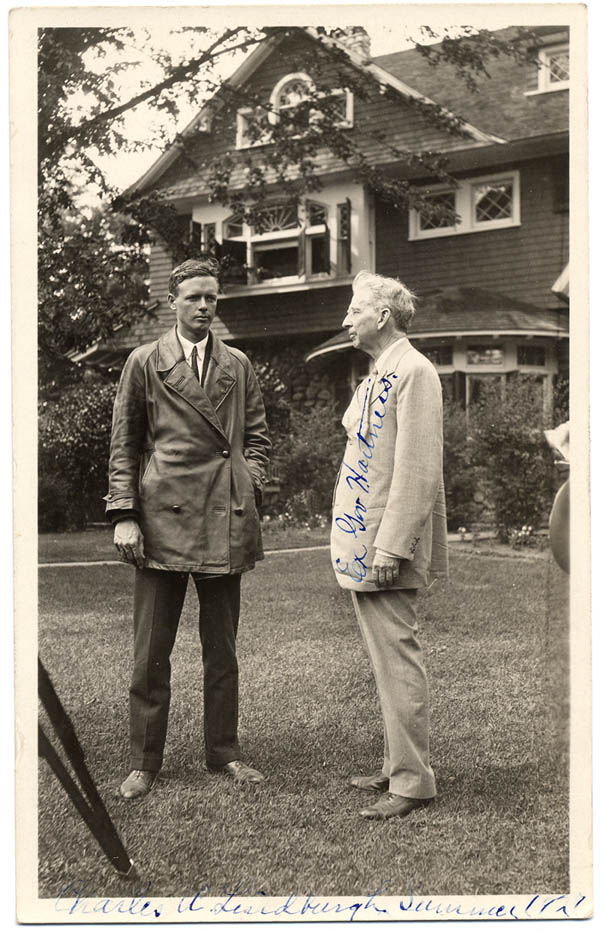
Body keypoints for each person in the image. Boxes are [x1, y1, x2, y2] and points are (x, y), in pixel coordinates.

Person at [105, 258, 271, 799]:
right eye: (195, 297)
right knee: (151, 649)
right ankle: (144, 761)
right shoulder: (145, 361)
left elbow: (257, 437)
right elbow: (125, 445)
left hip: (226, 517)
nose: (205, 307)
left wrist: (249, 484)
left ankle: (224, 752)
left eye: (213, 299)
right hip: (161, 521)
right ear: (171, 302)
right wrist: (126, 513)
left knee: (221, 648)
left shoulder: (238, 364)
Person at [330, 271, 448, 820]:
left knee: (398, 660)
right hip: (364, 542)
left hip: (384, 548)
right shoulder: (383, 370)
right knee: (385, 662)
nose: (346, 320)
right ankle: (396, 763)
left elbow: (419, 470)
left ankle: (412, 782)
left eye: (354, 310)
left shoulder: (415, 371)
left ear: (382, 316)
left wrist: (391, 548)